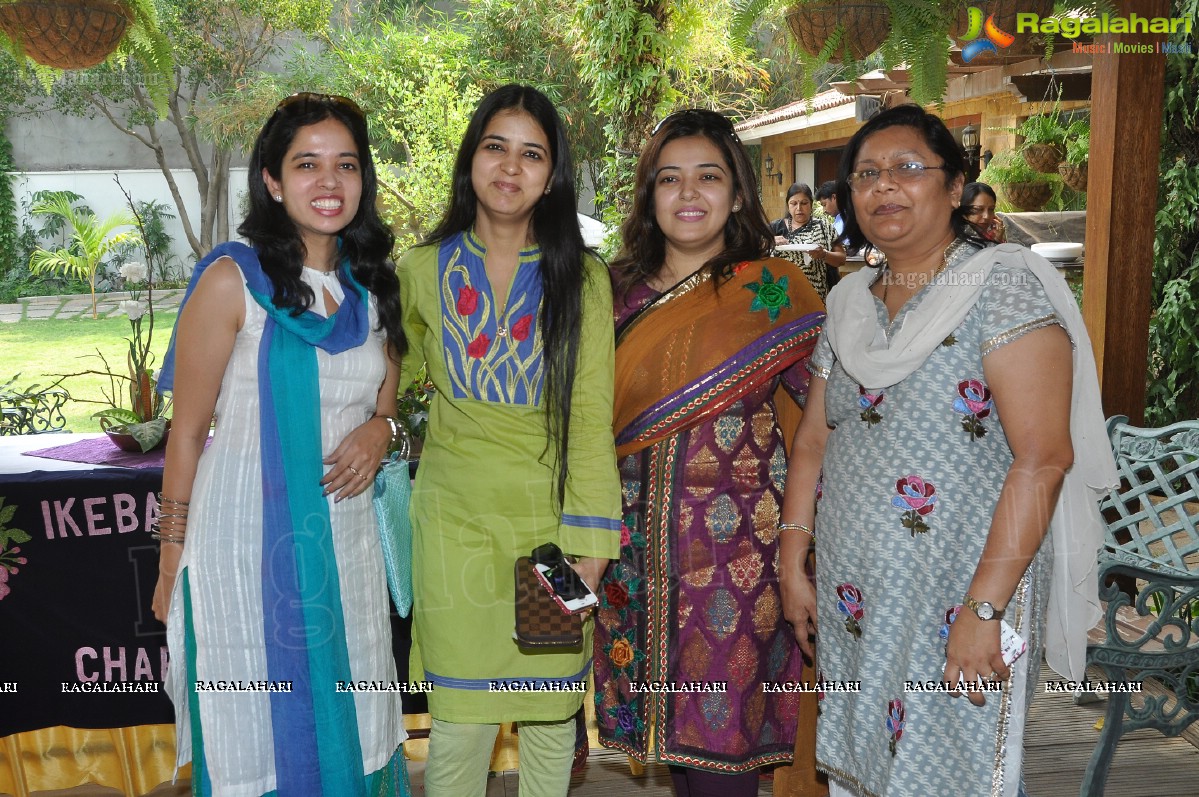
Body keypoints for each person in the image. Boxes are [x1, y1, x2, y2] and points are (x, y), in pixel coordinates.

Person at [778, 104, 1116, 797]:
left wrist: (983, 610)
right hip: (857, 594)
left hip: (961, 593)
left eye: (907, 168)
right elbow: (813, 440)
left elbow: (1043, 457)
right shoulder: (848, 303)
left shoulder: (1001, 285)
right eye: (865, 174)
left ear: (956, 185)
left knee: (959, 773)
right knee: (865, 765)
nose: (883, 187)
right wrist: (791, 562)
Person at [152, 93, 410, 795]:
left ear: (363, 180)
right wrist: (171, 558)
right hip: (241, 553)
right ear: (271, 179)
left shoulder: (373, 289)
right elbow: (186, 430)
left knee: (353, 715)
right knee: (255, 728)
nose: (328, 183)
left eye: (345, 166)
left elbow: (385, 410)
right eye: (307, 164)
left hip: (345, 552)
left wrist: (381, 430)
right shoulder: (233, 280)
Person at [395, 84, 621, 797]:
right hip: (452, 523)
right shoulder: (419, 269)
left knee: (551, 713)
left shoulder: (580, 278)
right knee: (459, 715)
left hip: (551, 529)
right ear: (471, 159)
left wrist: (589, 548)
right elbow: (381, 377)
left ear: (551, 176)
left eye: (531, 153)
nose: (509, 166)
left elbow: (589, 418)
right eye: (495, 146)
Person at [594, 108, 826, 796]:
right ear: (648, 193)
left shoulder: (775, 289)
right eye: (669, 179)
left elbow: (821, 425)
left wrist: (801, 551)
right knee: (675, 755)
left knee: (724, 761)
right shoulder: (609, 292)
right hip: (629, 557)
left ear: (735, 193)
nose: (688, 194)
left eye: (707, 177)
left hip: (740, 563)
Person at [771, 182, 845, 299]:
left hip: (816, 297)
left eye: (804, 203)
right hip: (781, 296)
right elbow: (756, 253)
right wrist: (770, 242)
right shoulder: (775, 228)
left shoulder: (824, 226)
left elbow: (841, 259)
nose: (799, 208)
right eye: (793, 203)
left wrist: (823, 254)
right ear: (788, 205)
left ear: (811, 205)